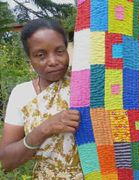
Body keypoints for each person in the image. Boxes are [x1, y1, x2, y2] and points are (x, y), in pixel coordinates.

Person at [0, 19, 83, 179]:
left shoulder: (84, 87)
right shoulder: (21, 94)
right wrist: (45, 128)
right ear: (30, 59)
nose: (53, 61)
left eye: (59, 51)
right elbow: (7, 162)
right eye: (41, 55)